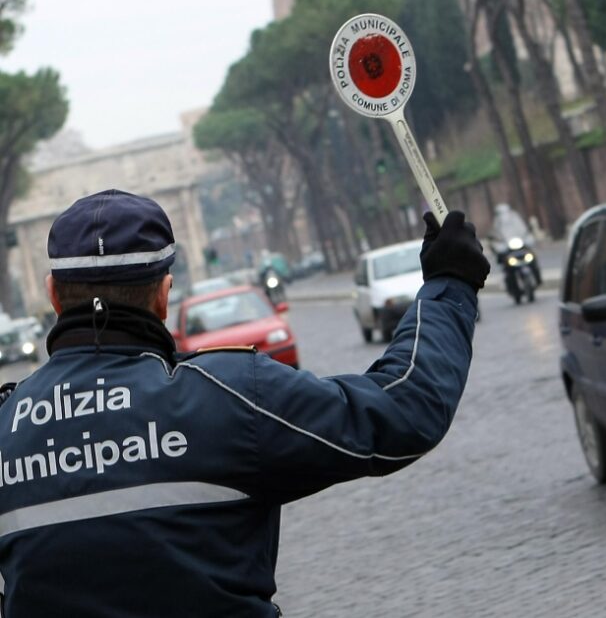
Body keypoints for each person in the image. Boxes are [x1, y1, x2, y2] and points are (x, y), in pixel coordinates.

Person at [0, 189, 489, 617]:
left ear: (54, 297)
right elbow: (403, 407)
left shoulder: (5, 424)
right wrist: (449, 285)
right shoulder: (231, 394)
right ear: (163, 296)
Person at [487, 203, 542, 290]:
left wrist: (527, 237)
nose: (504, 214)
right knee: (505, 265)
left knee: (532, 257)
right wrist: (498, 244)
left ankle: (538, 278)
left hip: (519, 243)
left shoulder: (516, 219)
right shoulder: (497, 222)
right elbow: (496, 235)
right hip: (506, 247)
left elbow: (523, 229)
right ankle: (509, 285)